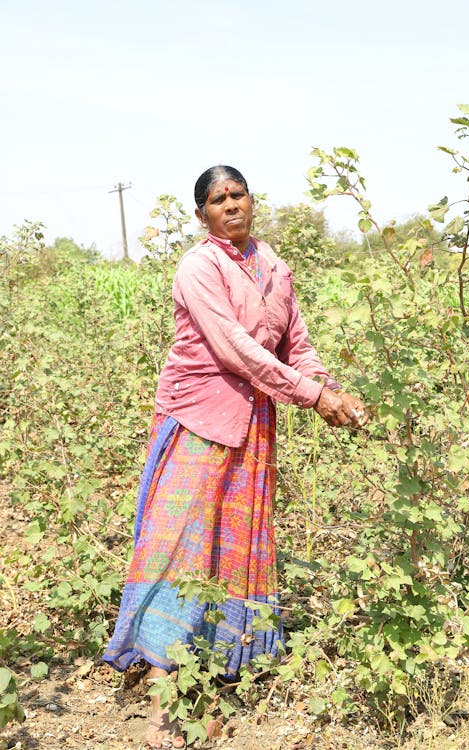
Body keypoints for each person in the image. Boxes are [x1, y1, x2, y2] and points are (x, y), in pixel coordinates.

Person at [103, 165, 368, 749]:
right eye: (217, 199)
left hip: (252, 425)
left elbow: (294, 340)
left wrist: (327, 383)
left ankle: (211, 679)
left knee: (232, 548)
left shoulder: (273, 266)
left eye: (237, 194)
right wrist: (314, 397)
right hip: (200, 418)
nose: (230, 204)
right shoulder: (200, 267)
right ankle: (160, 704)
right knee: (179, 546)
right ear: (202, 215)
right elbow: (236, 349)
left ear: (252, 201)